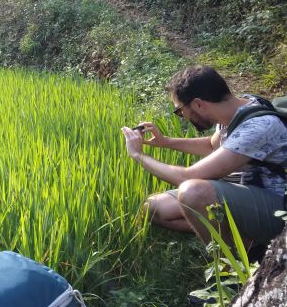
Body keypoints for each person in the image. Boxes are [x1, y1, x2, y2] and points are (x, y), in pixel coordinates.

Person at [121, 65, 287, 256]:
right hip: (247, 194)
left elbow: (188, 176)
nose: (182, 116)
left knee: (193, 192)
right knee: (155, 207)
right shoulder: (235, 109)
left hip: (277, 207)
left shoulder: (258, 126)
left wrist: (138, 155)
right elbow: (212, 145)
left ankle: (238, 266)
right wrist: (164, 142)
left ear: (199, 104)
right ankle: (246, 243)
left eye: (180, 111)